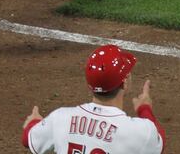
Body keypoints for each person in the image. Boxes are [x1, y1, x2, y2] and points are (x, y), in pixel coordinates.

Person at [22, 45, 166, 153]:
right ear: (125, 81)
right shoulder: (138, 131)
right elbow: (159, 143)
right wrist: (144, 108)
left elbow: (27, 138)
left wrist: (33, 122)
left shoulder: (60, 118)